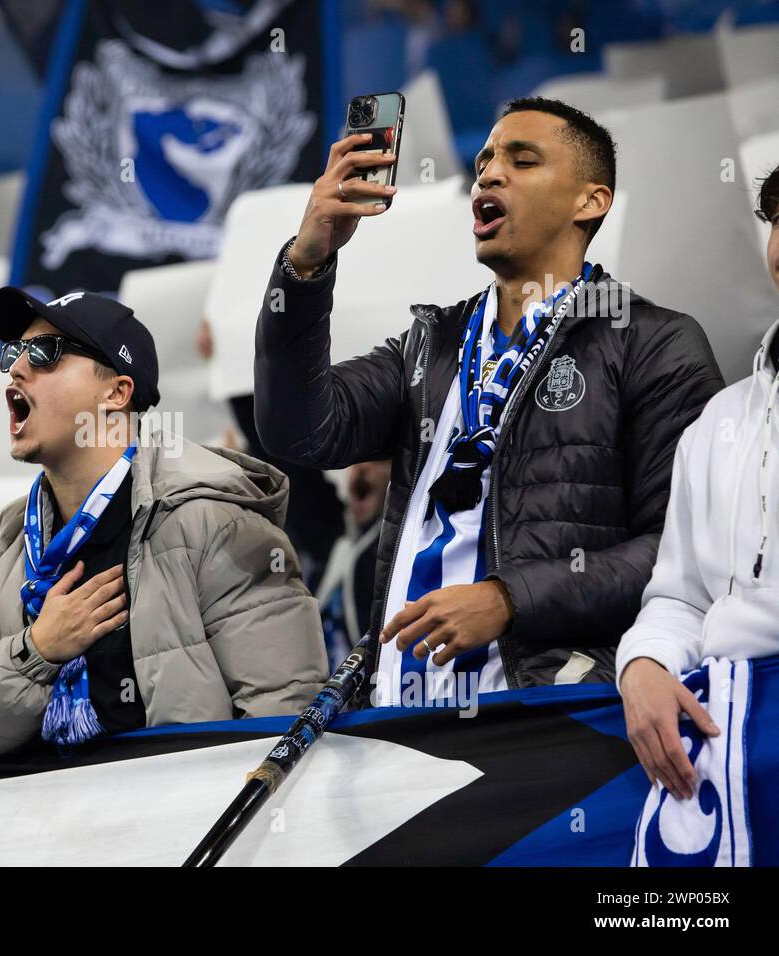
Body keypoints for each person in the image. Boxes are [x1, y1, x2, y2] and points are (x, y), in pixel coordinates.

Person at [255, 97, 723, 705]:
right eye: (484, 162)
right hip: (399, 713)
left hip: (548, 716)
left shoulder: (654, 343)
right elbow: (298, 431)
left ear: (591, 200)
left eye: (522, 161)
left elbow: (683, 549)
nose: (490, 173)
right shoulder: (431, 346)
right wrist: (307, 262)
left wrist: (510, 599)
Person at [0, 288, 327, 758]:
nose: (17, 368)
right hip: (46, 825)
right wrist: (37, 650)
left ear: (117, 392)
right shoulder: (10, 538)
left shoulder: (211, 519)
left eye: (45, 353)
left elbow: (283, 716)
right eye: (13, 353)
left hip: (187, 826)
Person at [617, 164, 779, 800]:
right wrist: (646, 663)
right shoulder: (721, 420)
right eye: (777, 221)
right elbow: (681, 597)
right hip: (726, 743)